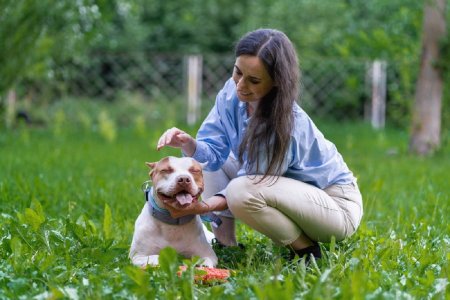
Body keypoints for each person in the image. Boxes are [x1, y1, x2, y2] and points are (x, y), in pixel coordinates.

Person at [156, 28, 363, 262]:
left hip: (333, 206)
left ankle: (306, 252)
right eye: (237, 72)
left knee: (239, 191)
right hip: (283, 191)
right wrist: (189, 143)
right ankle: (226, 247)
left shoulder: (286, 122)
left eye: (253, 80)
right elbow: (212, 154)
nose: (240, 86)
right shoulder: (231, 94)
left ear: (276, 83)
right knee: (204, 166)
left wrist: (202, 207)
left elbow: (250, 183)